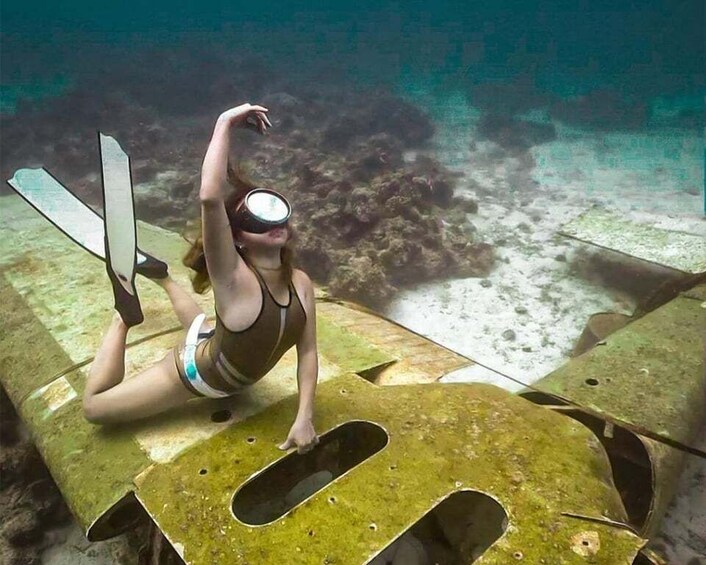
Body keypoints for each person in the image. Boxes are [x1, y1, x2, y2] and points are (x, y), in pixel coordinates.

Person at [82, 103, 320, 454]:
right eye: (257, 221)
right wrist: (225, 122)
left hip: (224, 347)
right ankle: (124, 317)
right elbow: (210, 197)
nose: (273, 226)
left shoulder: (301, 283)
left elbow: (309, 350)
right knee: (94, 409)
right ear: (237, 237)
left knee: (207, 326)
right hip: (197, 374)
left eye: (277, 218)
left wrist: (305, 416)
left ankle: (162, 277)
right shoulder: (234, 278)